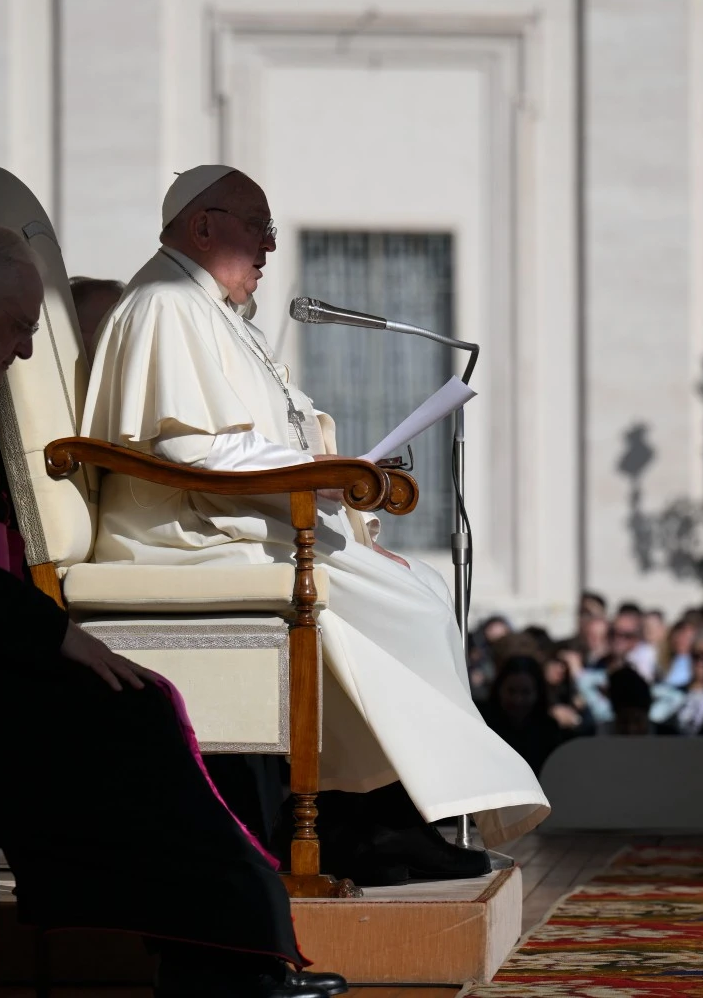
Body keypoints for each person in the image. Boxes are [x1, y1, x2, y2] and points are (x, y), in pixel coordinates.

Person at [0, 222, 337, 998]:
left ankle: (219, 955)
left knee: (131, 707)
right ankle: (222, 962)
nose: (27, 351)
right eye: (21, 328)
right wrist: (59, 640)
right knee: (125, 717)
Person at [80, 165, 548, 877]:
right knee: (410, 608)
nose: (269, 247)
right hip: (183, 535)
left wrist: (330, 477)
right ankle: (375, 823)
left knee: (418, 591)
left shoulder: (210, 310)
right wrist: (319, 478)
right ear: (202, 226)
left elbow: (254, 436)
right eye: (256, 228)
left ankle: (389, 816)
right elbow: (187, 449)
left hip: (236, 519)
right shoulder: (168, 302)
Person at [478, 657, 567, 774]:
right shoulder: (482, 724)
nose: (518, 700)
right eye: (511, 691)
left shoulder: (548, 730)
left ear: (537, 693)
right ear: (499, 690)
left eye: (526, 692)